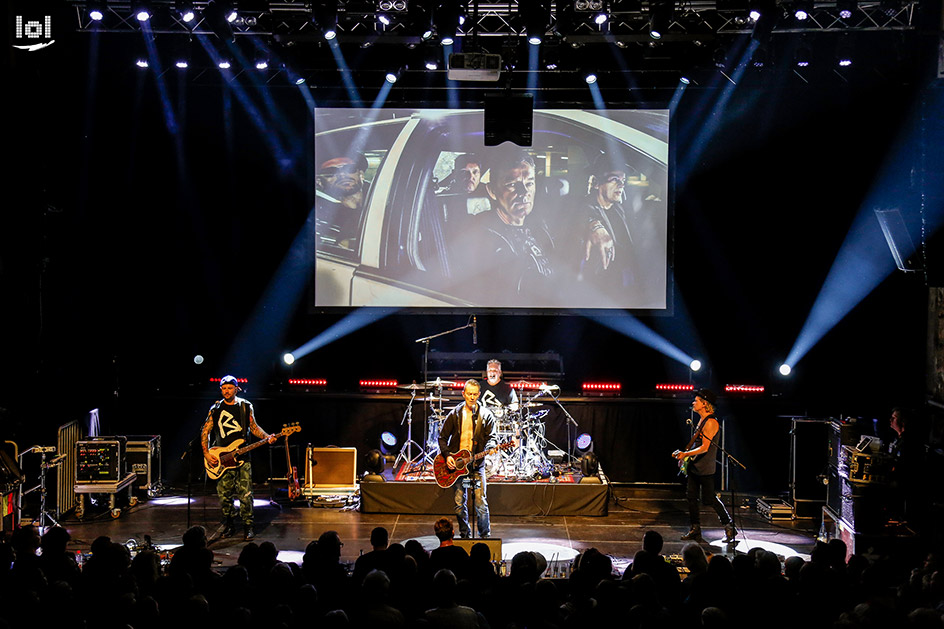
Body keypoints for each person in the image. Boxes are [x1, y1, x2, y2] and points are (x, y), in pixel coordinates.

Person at [471, 146, 556, 306]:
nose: (524, 192)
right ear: (492, 191)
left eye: (529, 183)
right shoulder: (484, 235)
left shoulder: (539, 225)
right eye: (512, 185)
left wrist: (594, 224)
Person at [201, 375, 277, 540]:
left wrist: (266, 436)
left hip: (242, 457)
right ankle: (228, 524)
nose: (226, 391)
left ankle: (248, 526)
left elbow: (254, 427)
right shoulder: (215, 408)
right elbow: (205, 431)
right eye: (224, 388)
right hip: (221, 457)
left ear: (236, 389)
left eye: (229, 388)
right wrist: (207, 453)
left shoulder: (245, 406)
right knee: (224, 495)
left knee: (245, 494)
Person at [672, 389, 736, 543]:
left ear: (705, 404)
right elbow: (696, 444)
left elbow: (705, 447)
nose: (693, 403)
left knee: (710, 499)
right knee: (691, 497)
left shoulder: (711, 422)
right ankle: (695, 528)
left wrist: (685, 455)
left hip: (705, 467)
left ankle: (729, 526)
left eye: (697, 401)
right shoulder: (701, 420)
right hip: (695, 465)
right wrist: (685, 458)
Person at [438, 379, 498, 538]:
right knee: (458, 505)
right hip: (457, 466)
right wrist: (448, 455)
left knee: (480, 504)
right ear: (463, 393)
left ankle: (485, 536)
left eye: (474, 394)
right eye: (468, 394)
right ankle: (465, 534)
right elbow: (442, 438)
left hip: (477, 465)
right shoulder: (455, 414)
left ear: (479, 395)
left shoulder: (486, 415)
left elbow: (492, 437)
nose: (471, 397)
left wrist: (490, 447)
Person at [315, 152, 369, 250]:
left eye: (349, 168)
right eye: (332, 171)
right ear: (319, 182)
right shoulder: (319, 218)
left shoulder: (386, 199)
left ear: (361, 175)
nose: (342, 175)